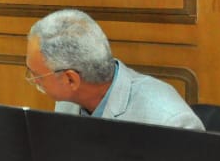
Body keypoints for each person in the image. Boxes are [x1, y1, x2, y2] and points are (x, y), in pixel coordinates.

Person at [26, 8, 204, 130]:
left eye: (37, 76)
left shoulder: (169, 121)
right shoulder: (67, 102)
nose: (33, 80)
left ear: (71, 79)